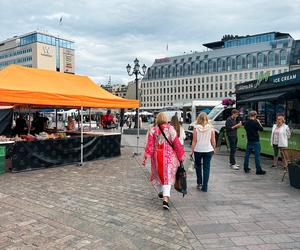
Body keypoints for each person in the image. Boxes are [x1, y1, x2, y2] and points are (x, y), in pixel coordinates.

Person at [142, 112, 185, 210]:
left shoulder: (153, 130)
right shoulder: (170, 129)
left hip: (156, 156)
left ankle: (161, 192)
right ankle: (165, 199)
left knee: (159, 175)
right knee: (167, 177)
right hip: (169, 156)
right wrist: (181, 156)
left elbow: (149, 145)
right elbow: (177, 144)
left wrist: (145, 158)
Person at [189, 112, 216, 192]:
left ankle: (199, 182)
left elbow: (194, 141)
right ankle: (205, 187)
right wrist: (214, 148)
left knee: (198, 167)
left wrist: (191, 151)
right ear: (206, 118)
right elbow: (213, 140)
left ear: (198, 118)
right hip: (208, 149)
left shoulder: (196, 128)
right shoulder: (211, 128)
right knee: (206, 168)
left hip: (198, 150)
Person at [243, 111, 266, 175]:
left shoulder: (246, 122)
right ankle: (258, 170)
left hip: (249, 140)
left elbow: (245, 128)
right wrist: (259, 122)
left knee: (247, 155)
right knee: (257, 156)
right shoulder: (256, 122)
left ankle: (245, 168)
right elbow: (261, 129)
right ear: (255, 115)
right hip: (255, 140)